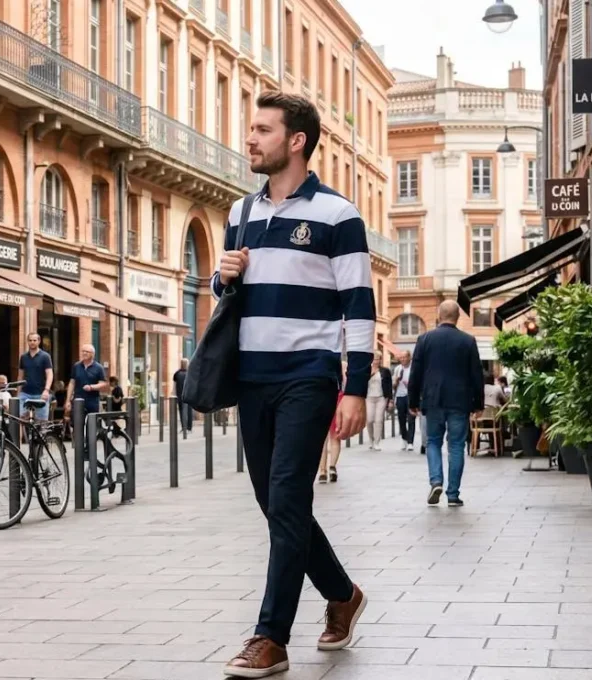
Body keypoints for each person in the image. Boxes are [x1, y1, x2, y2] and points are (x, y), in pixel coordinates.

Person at [215, 91, 372, 678]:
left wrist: (356, 388)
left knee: (286, 498)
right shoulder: (241, 213)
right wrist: (222, 275)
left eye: (262, 129)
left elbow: (359, 307)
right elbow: (228, 294)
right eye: (251, 128)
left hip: (309, 376)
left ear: (296, 140)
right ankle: (343, 594)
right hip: (251, 376)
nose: (250, 139)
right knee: (275, 503)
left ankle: (270, 637)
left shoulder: (337, 215)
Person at [407, 300, 484, 507]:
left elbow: (415, 373)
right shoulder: (468, 341)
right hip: (460, 401)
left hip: (433, 399)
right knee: (456, 445)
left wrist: (413, 400)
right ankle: (453, 494)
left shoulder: (424, 339)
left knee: (433, 441)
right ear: (457, 317)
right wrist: (478, 403)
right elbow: (477, 374)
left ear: (439, 316)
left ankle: (436, 481)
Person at [317, 363, 348, 484]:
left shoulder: (320, 362)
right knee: (334, 437)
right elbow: (346, 384)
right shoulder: (344, 365)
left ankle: (322, 471)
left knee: (322, 439)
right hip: (338, 399)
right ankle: (332, 467)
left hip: (322, 399)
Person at [65, 345, 108, 420]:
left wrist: (91, 387)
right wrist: (68, 401)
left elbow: (103, 384)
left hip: (92, 402)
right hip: (78, 401)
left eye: (87, 352)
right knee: (77, 424)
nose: (84, 353)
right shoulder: (76, 366)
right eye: (83, 351)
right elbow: (72, 383)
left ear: (93, 354)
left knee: (91, 424)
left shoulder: (99, 368)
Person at [17, 333, 53, 420]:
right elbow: (20, 376)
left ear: (39, 341)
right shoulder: (23, 357)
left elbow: (49, 374)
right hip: (25, 393)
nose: (32, 342)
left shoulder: (45, 356)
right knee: (21, 419)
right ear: (27, 341)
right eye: (30, 340)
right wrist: (18, 393)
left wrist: (46, 390)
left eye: (34, 340)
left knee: (41, 422)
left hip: (41, 394)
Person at [364, 355, 393, 450]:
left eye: (378, 359)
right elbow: (362, 382)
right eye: (374, 359)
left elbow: (389, 385)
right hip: (369, 397)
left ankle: (377, 442)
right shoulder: (366, 370)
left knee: (379, 420)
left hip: (381, 397)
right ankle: (371, 440)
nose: (376, 361)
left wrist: (390, 400)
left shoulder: (385, 371)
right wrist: (371, 374)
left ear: (380, 360)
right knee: (369, 419)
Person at [392, 352, 416, 451]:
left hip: (411, 396)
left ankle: (410, 442)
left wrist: (410, 385)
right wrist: (396, 381)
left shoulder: (413, 368)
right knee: (401, 418)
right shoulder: (398, 369)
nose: (402, 359)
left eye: (404, 357)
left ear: (409, 357)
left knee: (411, 419)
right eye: (401, 357)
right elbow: (393, 385)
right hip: (400, 396)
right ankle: (404, 438)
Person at [172, 358, 193, 434]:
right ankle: (189, 427)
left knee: (181, 411)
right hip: (189, 395)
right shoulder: (190, 373)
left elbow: (174, 385)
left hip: (180, 395)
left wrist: (173, 393)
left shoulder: (177, 373)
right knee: (189, 411)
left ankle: (184, 427)